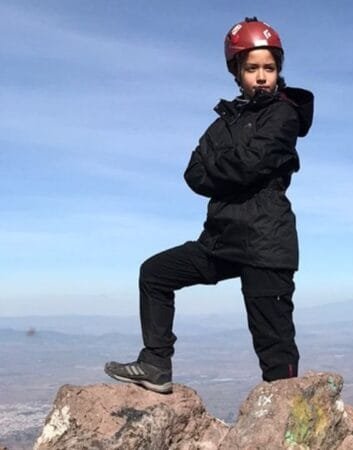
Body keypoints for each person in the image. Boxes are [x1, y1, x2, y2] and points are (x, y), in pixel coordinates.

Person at [104, 17, 314, 394]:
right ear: (237, 71)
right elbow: (193, 173)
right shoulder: (223, 123)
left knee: (273, 347)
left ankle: (287, 423)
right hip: (222, 239)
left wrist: (226, 167)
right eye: (252, 68)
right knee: (154, 273)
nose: (262, 76)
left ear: (279, 70)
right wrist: (233, 167)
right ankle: (155, 364)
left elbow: (249, 164)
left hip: (266, 244)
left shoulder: (282, 114)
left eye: (269, 67)